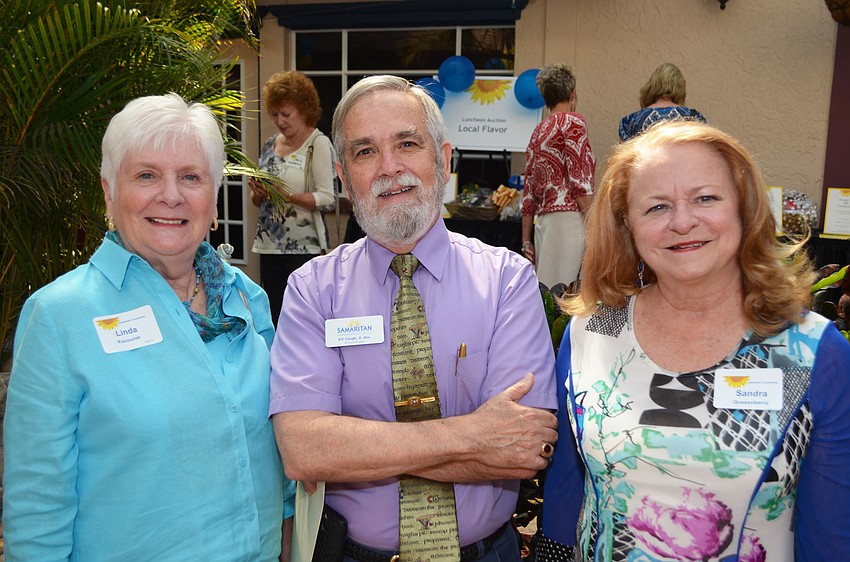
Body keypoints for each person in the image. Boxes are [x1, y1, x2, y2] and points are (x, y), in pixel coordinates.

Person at [270, 75, 559, 562]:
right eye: (365, 152)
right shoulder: (311, 290)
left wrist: (359, 449)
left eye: (407, 144)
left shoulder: (508, 280)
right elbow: (304, 451)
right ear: (342, 174)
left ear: (443, 160)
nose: (389, 168)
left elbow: (521, 448)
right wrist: (472, 436)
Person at [536, 121, 850, 561]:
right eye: (657, 207)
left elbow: (833, 536)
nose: (683, 222)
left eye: (706, 198)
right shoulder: (591, 333)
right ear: (627, 224)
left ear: (743, 206)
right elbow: (567, 494)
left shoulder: (812, 352)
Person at [3, 93, 295, 561]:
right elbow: (37, 507)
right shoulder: (58, 317)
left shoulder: (246, 297)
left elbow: (275, 444)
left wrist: (285, 529)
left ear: (214, 199)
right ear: (108, 193)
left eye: (191, 177)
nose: (171, 195)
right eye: (146, 175)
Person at [250, 70, 337, 326]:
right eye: (275, 114)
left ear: (304, 109)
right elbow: (259, 203)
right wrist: (258, 194)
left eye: (286, 114)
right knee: (274, 315)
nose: (280, 121)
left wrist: (285, 195)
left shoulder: (317, 144)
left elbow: (328, 198)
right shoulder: (269, 144)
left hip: (303, 247)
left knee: (303, 319)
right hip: (268, 244)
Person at [521, 63, 595, 290]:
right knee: (566, 295)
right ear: (573, 93)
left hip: (544, 223)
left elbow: (528, 192)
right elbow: (579, 180)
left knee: (547, 295)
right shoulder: (573, 123)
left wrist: (526, 240)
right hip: (569, 220)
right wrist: (595, 223)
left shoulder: (539, 130)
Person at [618, 62, 707, 142]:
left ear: (653, 84)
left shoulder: (630, 121)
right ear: (680, 88)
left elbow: (623, 157)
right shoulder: (694, 118)